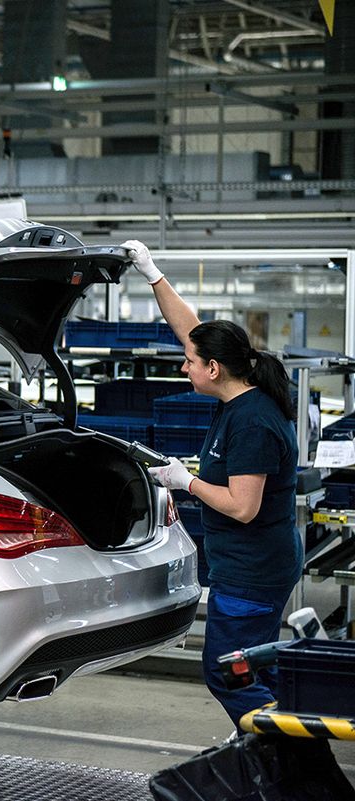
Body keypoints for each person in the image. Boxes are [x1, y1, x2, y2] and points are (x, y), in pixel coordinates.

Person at [127, 240, 301, 731]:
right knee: (252, 667)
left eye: (188, 362)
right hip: (253, 565)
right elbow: (192, 331)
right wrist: (153, 274)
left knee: (229, 673)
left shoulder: (252, 423)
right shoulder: (237, 395)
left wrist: (187, 481)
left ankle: (283, 752)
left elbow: (242, 507)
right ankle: (272, 743)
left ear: (213, 369)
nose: (183, 366)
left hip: (253, 571)